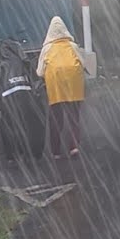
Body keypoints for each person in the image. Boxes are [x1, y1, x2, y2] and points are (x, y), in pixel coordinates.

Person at [38, 17, 86, 159]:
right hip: (73, 85)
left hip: (55, 86)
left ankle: (56, 151)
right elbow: (83, 64)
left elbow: (40, 72)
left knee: (56, 118)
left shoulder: (47, 48)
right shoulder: (72, 46)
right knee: (73, 116)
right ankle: (74, 147)